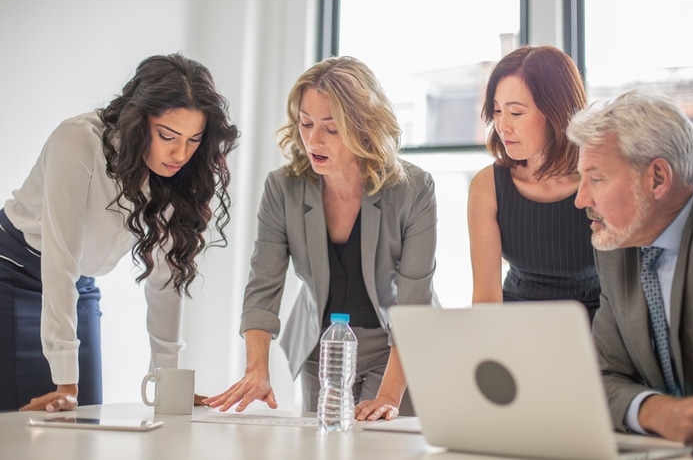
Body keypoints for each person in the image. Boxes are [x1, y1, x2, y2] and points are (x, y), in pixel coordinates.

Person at [203, 56, 438, 422]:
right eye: (306, 123)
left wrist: (389, 396)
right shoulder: (283, 188)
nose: (313, 140)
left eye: (331, 128)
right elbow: (263, 285)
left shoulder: (413, 188)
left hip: (396, 349)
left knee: (382, 445)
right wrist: (256, 368)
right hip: (321, 346)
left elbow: (413, 303)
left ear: (364, 129)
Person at [0, 53, 239, 412]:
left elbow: (166, 276)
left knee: (84, 419)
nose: (179, 153)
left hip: (78, 284)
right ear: (138, 122)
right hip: (12, 275)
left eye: (193, 140)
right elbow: (60, 258)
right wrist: (66, 381)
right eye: (168, 135)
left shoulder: (177, 173)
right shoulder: (77, 141)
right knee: (29, 425)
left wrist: (167, 383)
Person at [568, 89, 693, 458]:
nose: (580, 199)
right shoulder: (615, 253)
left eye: (597, 179)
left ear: (657, 178)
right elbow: (602, 379)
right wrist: (656, 410)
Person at [467, 45, 600, 322]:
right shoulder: (487, 186)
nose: (502, 126)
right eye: (497, 111)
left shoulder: (599, 178)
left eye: (515, 113)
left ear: (556, 113)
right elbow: (486, 300)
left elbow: (625, 292)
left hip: (596, 328)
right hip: (516, 328)